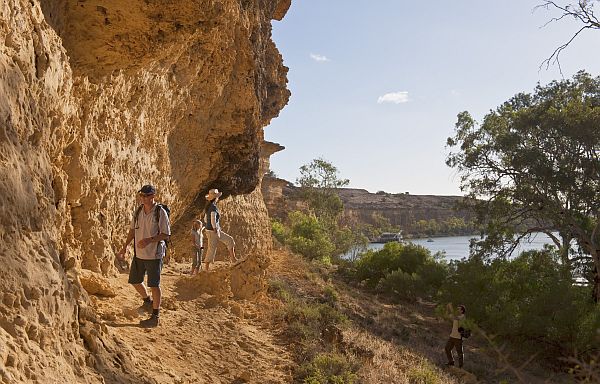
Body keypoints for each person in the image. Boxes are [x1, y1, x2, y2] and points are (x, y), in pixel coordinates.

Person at [116, 185, 171, 328]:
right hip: (139, 254)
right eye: (142, 196)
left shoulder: (160, 212)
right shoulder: (139, 211)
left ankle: (155, 316)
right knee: (134, 280)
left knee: (154, 284)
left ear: (153, 196)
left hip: (154, 254)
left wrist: (149, 240)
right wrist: (125, 246)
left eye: (147, 196)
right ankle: (147, 302)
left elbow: (166, 234)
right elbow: (132, 230)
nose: (144, 198)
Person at [203, 188, 237, 271]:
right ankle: (206, 268)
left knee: (229, 240)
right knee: (212, 248)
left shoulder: (209, 207)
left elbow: (205, 219)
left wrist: (214, 228)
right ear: (216, 198)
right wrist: (214, 228)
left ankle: (233, 259)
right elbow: (213, 219)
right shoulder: (213, 207)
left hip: (214, 230)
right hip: (213, 231)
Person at [445, 304, 466, 368]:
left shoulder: (462, 317)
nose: (457, 310)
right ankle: (451, 362)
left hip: (458, 338)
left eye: (459, 309)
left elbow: (454, 317)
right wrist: (447, 309)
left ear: (462, 311)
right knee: (447, 348)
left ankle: (460, 366)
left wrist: (450, 309)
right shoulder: (457, 316)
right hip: (452, 336)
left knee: (460, 353)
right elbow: (447, 316)